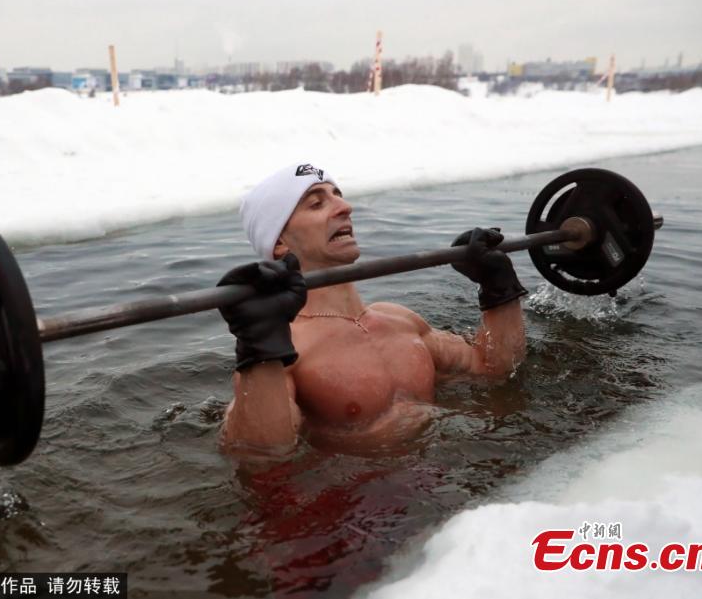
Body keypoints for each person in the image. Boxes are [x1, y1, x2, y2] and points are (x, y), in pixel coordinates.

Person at [218, 163, 527, 454]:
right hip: (360, 502)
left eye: (337, 195)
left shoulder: (400, 320)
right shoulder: (283, 351)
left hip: (441, 479)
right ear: (280, 243)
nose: (344, 207)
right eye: (316, 204)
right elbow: (263, 454)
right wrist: (258, 346)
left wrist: (499, 287)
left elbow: (496, 369)